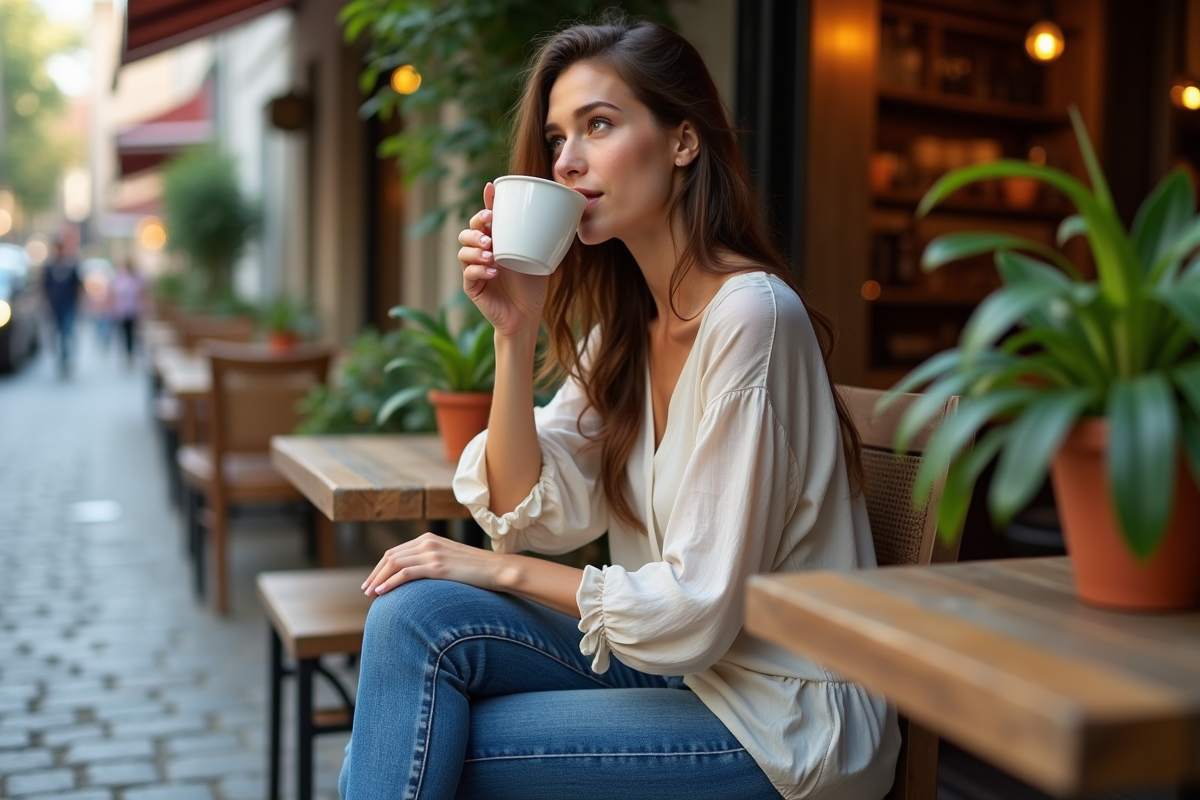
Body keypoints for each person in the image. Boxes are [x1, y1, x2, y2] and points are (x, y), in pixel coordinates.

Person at [339, 14, 899, 800]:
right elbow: (528, 508)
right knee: (411, 619)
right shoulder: (624, 333)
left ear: (682, 141)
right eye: (558, 137)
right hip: (679, 673)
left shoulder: (751, 317)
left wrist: (494, 567)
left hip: (783, 717)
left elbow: (696, 606)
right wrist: (515, 330)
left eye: (598, 125)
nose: (568, 161)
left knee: (417, 744)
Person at [41, 237, 83, 375]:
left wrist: (78, 302)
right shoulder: (49, 267)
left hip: (68, 304)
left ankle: (65, 357)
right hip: (54, 305)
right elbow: (44, 286)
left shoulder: (71, 266)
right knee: (56, 332)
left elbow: (78, 285)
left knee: (67, 331)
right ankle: (59, 357)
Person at [109, 260, 146, 366]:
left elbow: (142, 293)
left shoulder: (137, 278)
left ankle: (130, 353)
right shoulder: (120, 278)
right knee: (123, 333)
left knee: (131, 333)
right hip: (121, 311)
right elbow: (114, 293)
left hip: (133, 311)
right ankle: (126, 353)